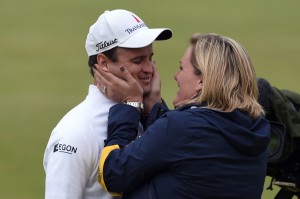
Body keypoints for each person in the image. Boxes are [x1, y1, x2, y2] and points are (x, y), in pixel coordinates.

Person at [94, 33, 271, 199]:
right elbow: (185, 162)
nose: (175, 76)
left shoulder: (182, 127)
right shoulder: (255, 129)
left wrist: (130, 103)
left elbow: (112, 175)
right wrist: (154, 106)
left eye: (181, 68)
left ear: (201, 81)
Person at [43, 9, 172, 199]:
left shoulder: (148, 113)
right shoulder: (75, 133)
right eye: (138, 60)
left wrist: (155, 109)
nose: (149, 69)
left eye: (150, 58)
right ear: (103, 63)